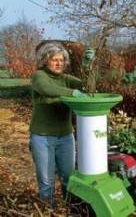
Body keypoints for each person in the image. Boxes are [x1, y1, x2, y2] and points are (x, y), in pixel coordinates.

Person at [29, 42, 94, 208]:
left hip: (66, 137)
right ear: (45, 61)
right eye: (54, 60)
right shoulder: (39, 76)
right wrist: (72, 92)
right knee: (46, 181)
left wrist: (88, 68)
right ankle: (48, 210)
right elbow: (46, 89)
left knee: (69, 179)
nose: (59, 63)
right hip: (42, 138)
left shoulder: (66, 79)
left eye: (61, 60)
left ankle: (69, 209)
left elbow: (87, 86)